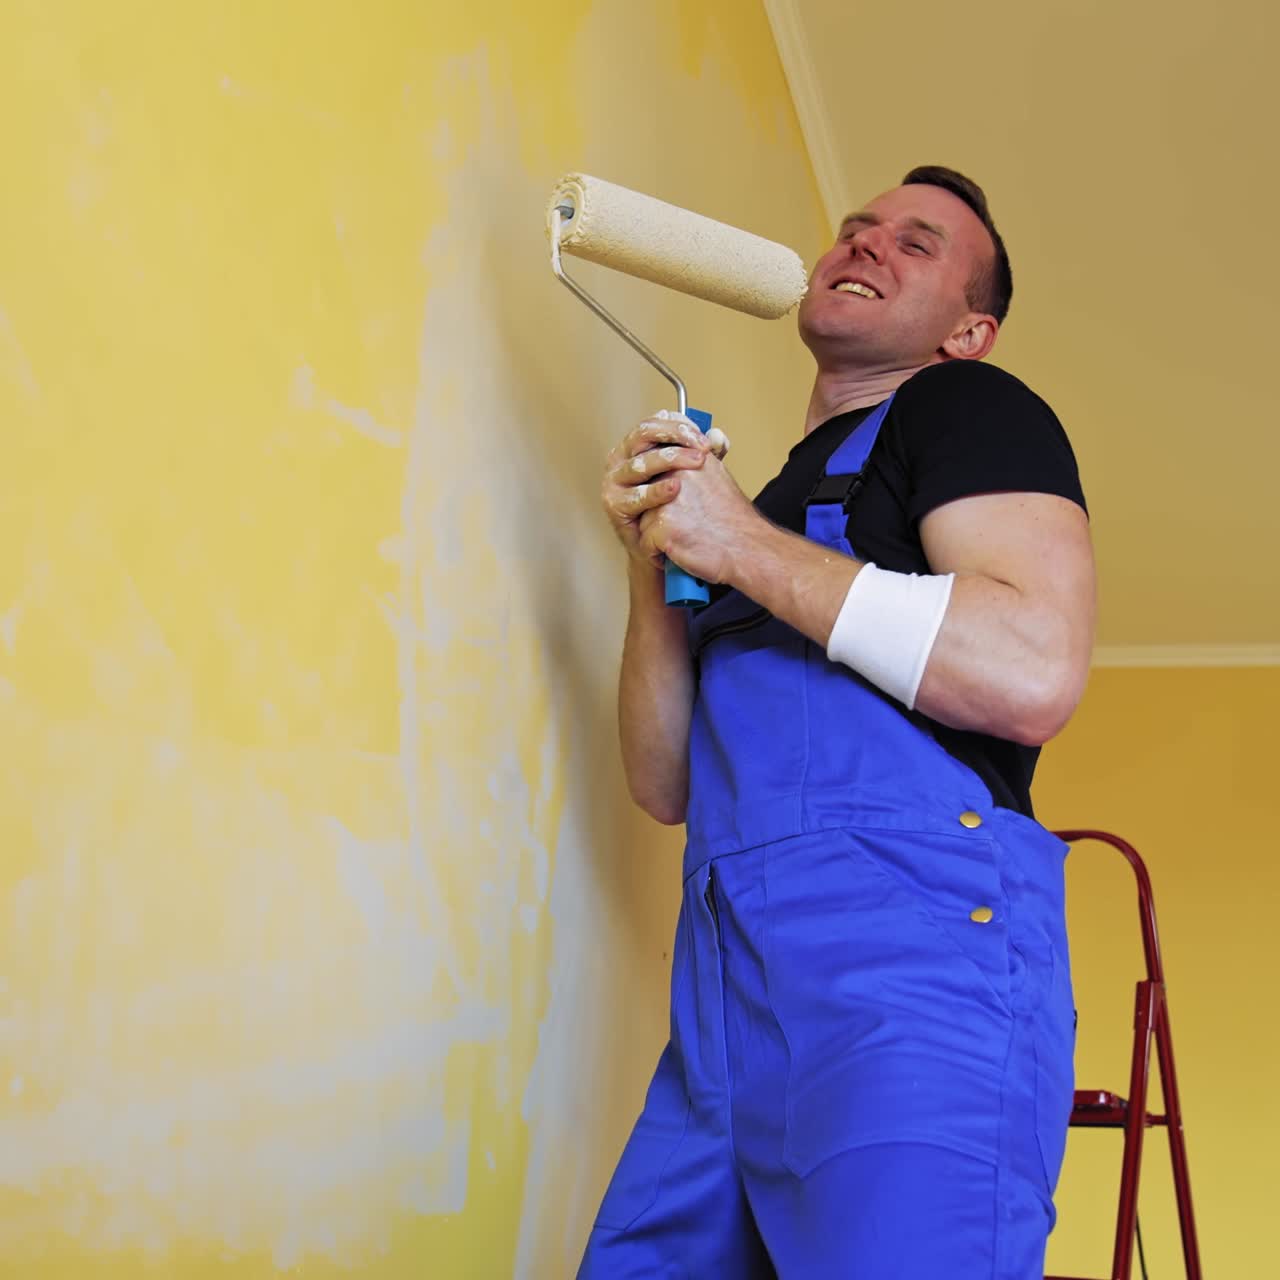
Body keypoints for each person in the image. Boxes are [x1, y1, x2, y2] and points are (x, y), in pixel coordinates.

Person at [579, 166, 1095, 1279]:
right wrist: (656, 566)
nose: (863, 243)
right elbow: (663, 781)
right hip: (729, 979)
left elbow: (1030, 665)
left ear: (968, 329)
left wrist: (738, 548)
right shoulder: (757, 511)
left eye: (914, 243)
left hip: (909, 960)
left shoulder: (968, 408)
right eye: (855, 228)